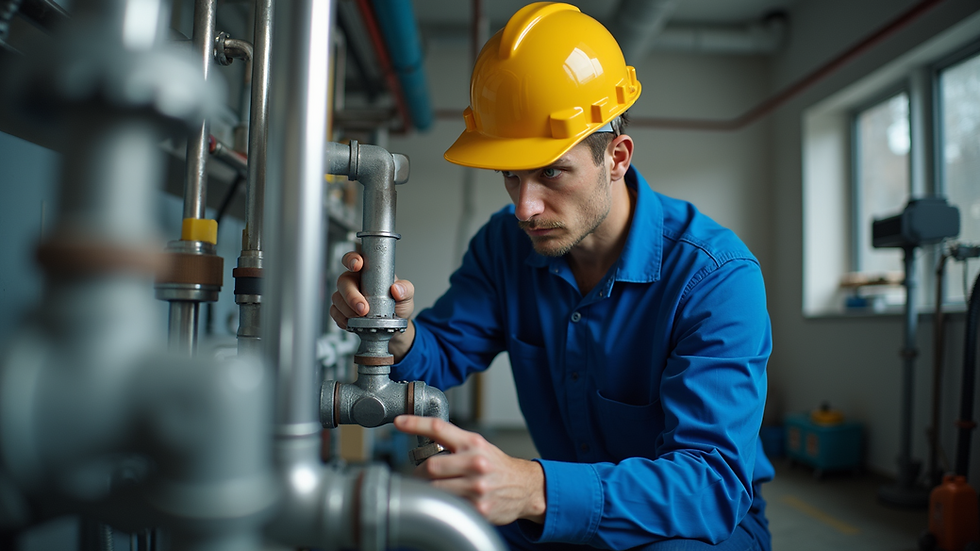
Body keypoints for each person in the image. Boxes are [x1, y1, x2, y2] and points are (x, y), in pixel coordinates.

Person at [330, 3, 774, 550]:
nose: (525, 206)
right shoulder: (504, 244)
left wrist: (534, 486)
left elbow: (710, 487)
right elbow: (442, 353)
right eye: (511, 177)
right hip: (557, 511)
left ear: (617, 156)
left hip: (689, 525)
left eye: (551, 172)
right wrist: (394, 330)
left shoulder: (715, 277)